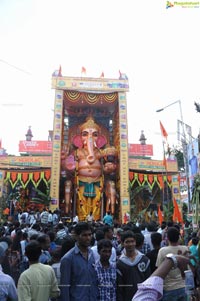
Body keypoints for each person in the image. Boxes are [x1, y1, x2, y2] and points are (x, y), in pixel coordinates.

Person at [60, 222, 99, 301]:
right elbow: (64, 288)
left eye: (89, 234)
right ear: (77, 236)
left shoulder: (92, 254)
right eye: (84, 235)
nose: (88, 238)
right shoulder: (68, 259)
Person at [156, 226, 189, 301]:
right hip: (183, 287)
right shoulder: (185, 248)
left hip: (168, 289)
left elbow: (159, 270)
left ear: (167, 238)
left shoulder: (162, 251)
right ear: (179, 237)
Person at [116, 230, 151, 300]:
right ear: (122, 243)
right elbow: (120, 287)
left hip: (143, 297)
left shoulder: (144, 259)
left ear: (135, 242)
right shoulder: (120, 263)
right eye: (127, 242)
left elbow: (148, 281)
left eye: (132, 241)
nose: (130, 244)